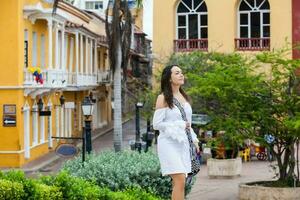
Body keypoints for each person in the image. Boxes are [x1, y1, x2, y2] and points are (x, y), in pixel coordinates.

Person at [152, 65, 199, 200]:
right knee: (179, 179)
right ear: (169, 78)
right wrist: (179, 125)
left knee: (181, 181)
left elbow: (188, 124)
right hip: (168, 144)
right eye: (177, 73)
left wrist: (194, 140)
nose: (181, 75)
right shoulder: (163, 98)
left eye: (181, 73)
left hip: (183, 144)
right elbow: (156, 124)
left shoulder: (184, 97)